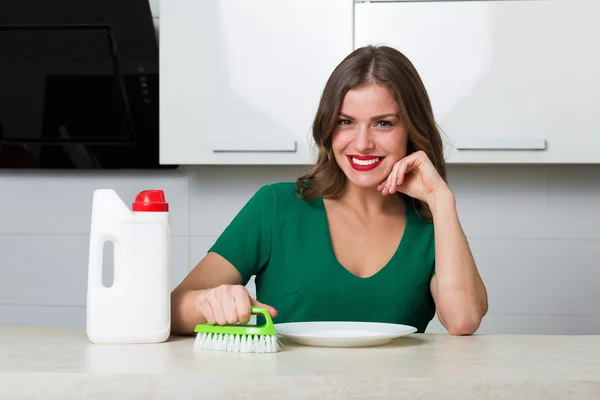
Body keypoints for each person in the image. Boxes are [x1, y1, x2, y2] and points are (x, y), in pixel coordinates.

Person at [171, 45, 488, 336]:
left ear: (411, 129)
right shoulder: (275, 208)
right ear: (328, 127)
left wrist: (442, 201)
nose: (362, 143)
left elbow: (463, 320)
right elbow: (172, 309)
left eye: (384, 123)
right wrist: (210, 302)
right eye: (346, 121)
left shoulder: (431, 224)